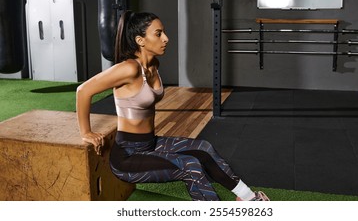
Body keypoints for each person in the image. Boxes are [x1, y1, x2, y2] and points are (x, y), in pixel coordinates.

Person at [76, 10, 269, 201]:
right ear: (140, 40)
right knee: (189, 166)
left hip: (150, 144)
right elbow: (83, 91)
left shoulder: (154, 66)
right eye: (158, 34)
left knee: (203, 147)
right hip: (128, 156)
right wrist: (86, 132)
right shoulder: (129, 68)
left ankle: (248, 198)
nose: (166, 38)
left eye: (164, 32)